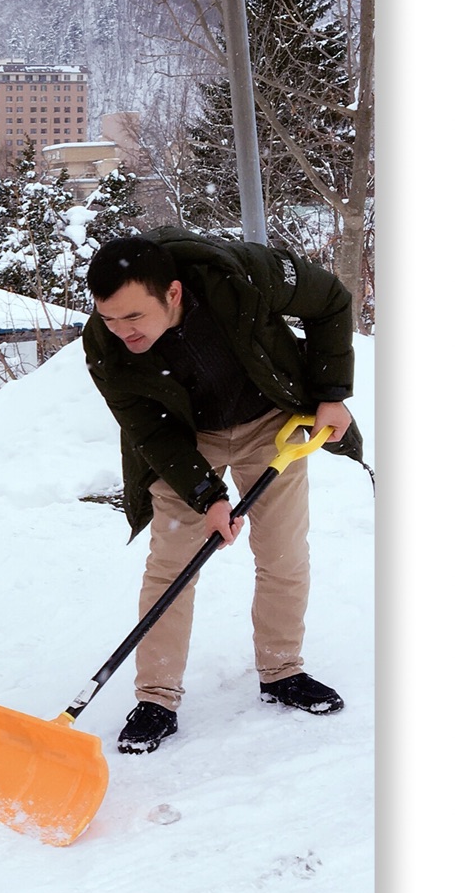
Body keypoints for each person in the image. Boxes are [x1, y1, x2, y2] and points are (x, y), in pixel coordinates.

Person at [82, 230, 363, 755]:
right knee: (171, 567)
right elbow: (150, 431)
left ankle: (282, 672)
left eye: (133, 317)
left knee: (282, 554)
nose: (122, 332)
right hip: (185, 438)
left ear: (172, 292)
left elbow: (330, 301)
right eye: (109, 318)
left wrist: (331, 395)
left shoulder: (241, 275)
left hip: (269, 422)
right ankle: (156, 699)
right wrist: (207, 495)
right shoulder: (107, 348)